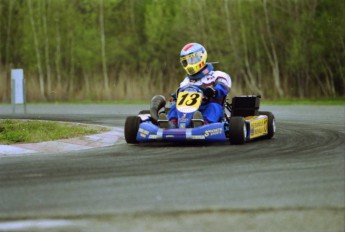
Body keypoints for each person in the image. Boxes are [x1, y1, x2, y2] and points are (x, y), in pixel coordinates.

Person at [159, 42, 232, 128]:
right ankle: (172, 124)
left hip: (209, 107)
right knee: (175, 107)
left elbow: (224, 86)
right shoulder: (186, 81)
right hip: (189, 111)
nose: (189, 65)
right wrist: (176, 96)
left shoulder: (217, 75)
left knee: (214, 107)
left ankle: (204, 124)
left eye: (192, 60)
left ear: (201, 57)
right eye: (186, 62)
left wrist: (214, 91)